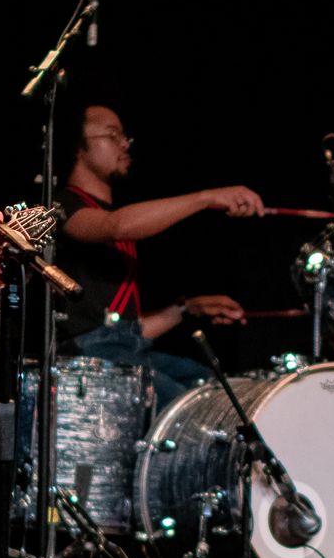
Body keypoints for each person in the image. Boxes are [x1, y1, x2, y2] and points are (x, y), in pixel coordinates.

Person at [54, 103, 264, 406]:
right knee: (189, 409)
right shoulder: (62, 205)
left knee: (215, 390)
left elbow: (126, 332)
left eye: (125, 137)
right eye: (112, 135)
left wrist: (187, 308)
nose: (124, 144)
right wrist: (206, 198)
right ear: (78, 147)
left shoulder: (114, 215)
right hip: (85, 357)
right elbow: (116, 226)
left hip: (122, 350)